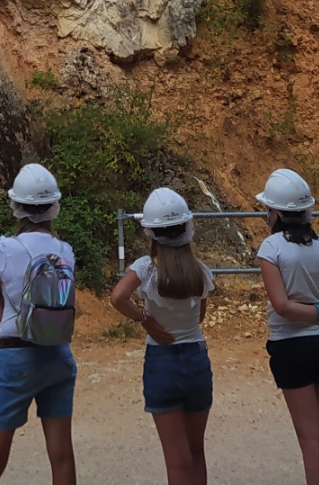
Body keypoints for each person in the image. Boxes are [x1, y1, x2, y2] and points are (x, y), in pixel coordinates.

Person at [0, 163, 78, 485]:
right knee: (62, 456)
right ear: (54, 207)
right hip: (58, 354)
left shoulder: (7, 248)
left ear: (16, 206)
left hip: (15, 356)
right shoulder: (65, 251)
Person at [110, 187, 215, 485]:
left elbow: (118, 297)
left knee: (176, 461)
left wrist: (145, 320)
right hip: (196, 358)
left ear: (151, 233)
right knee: (196, 453)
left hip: (162, 362)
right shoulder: (200, 271)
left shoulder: (145, 269)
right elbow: (199, 316)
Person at [255, 168, 319, 485]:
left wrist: (318, 313)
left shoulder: (271, 249)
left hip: (290, 345)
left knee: (310, 437)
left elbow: (282, 306)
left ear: (276, 212)